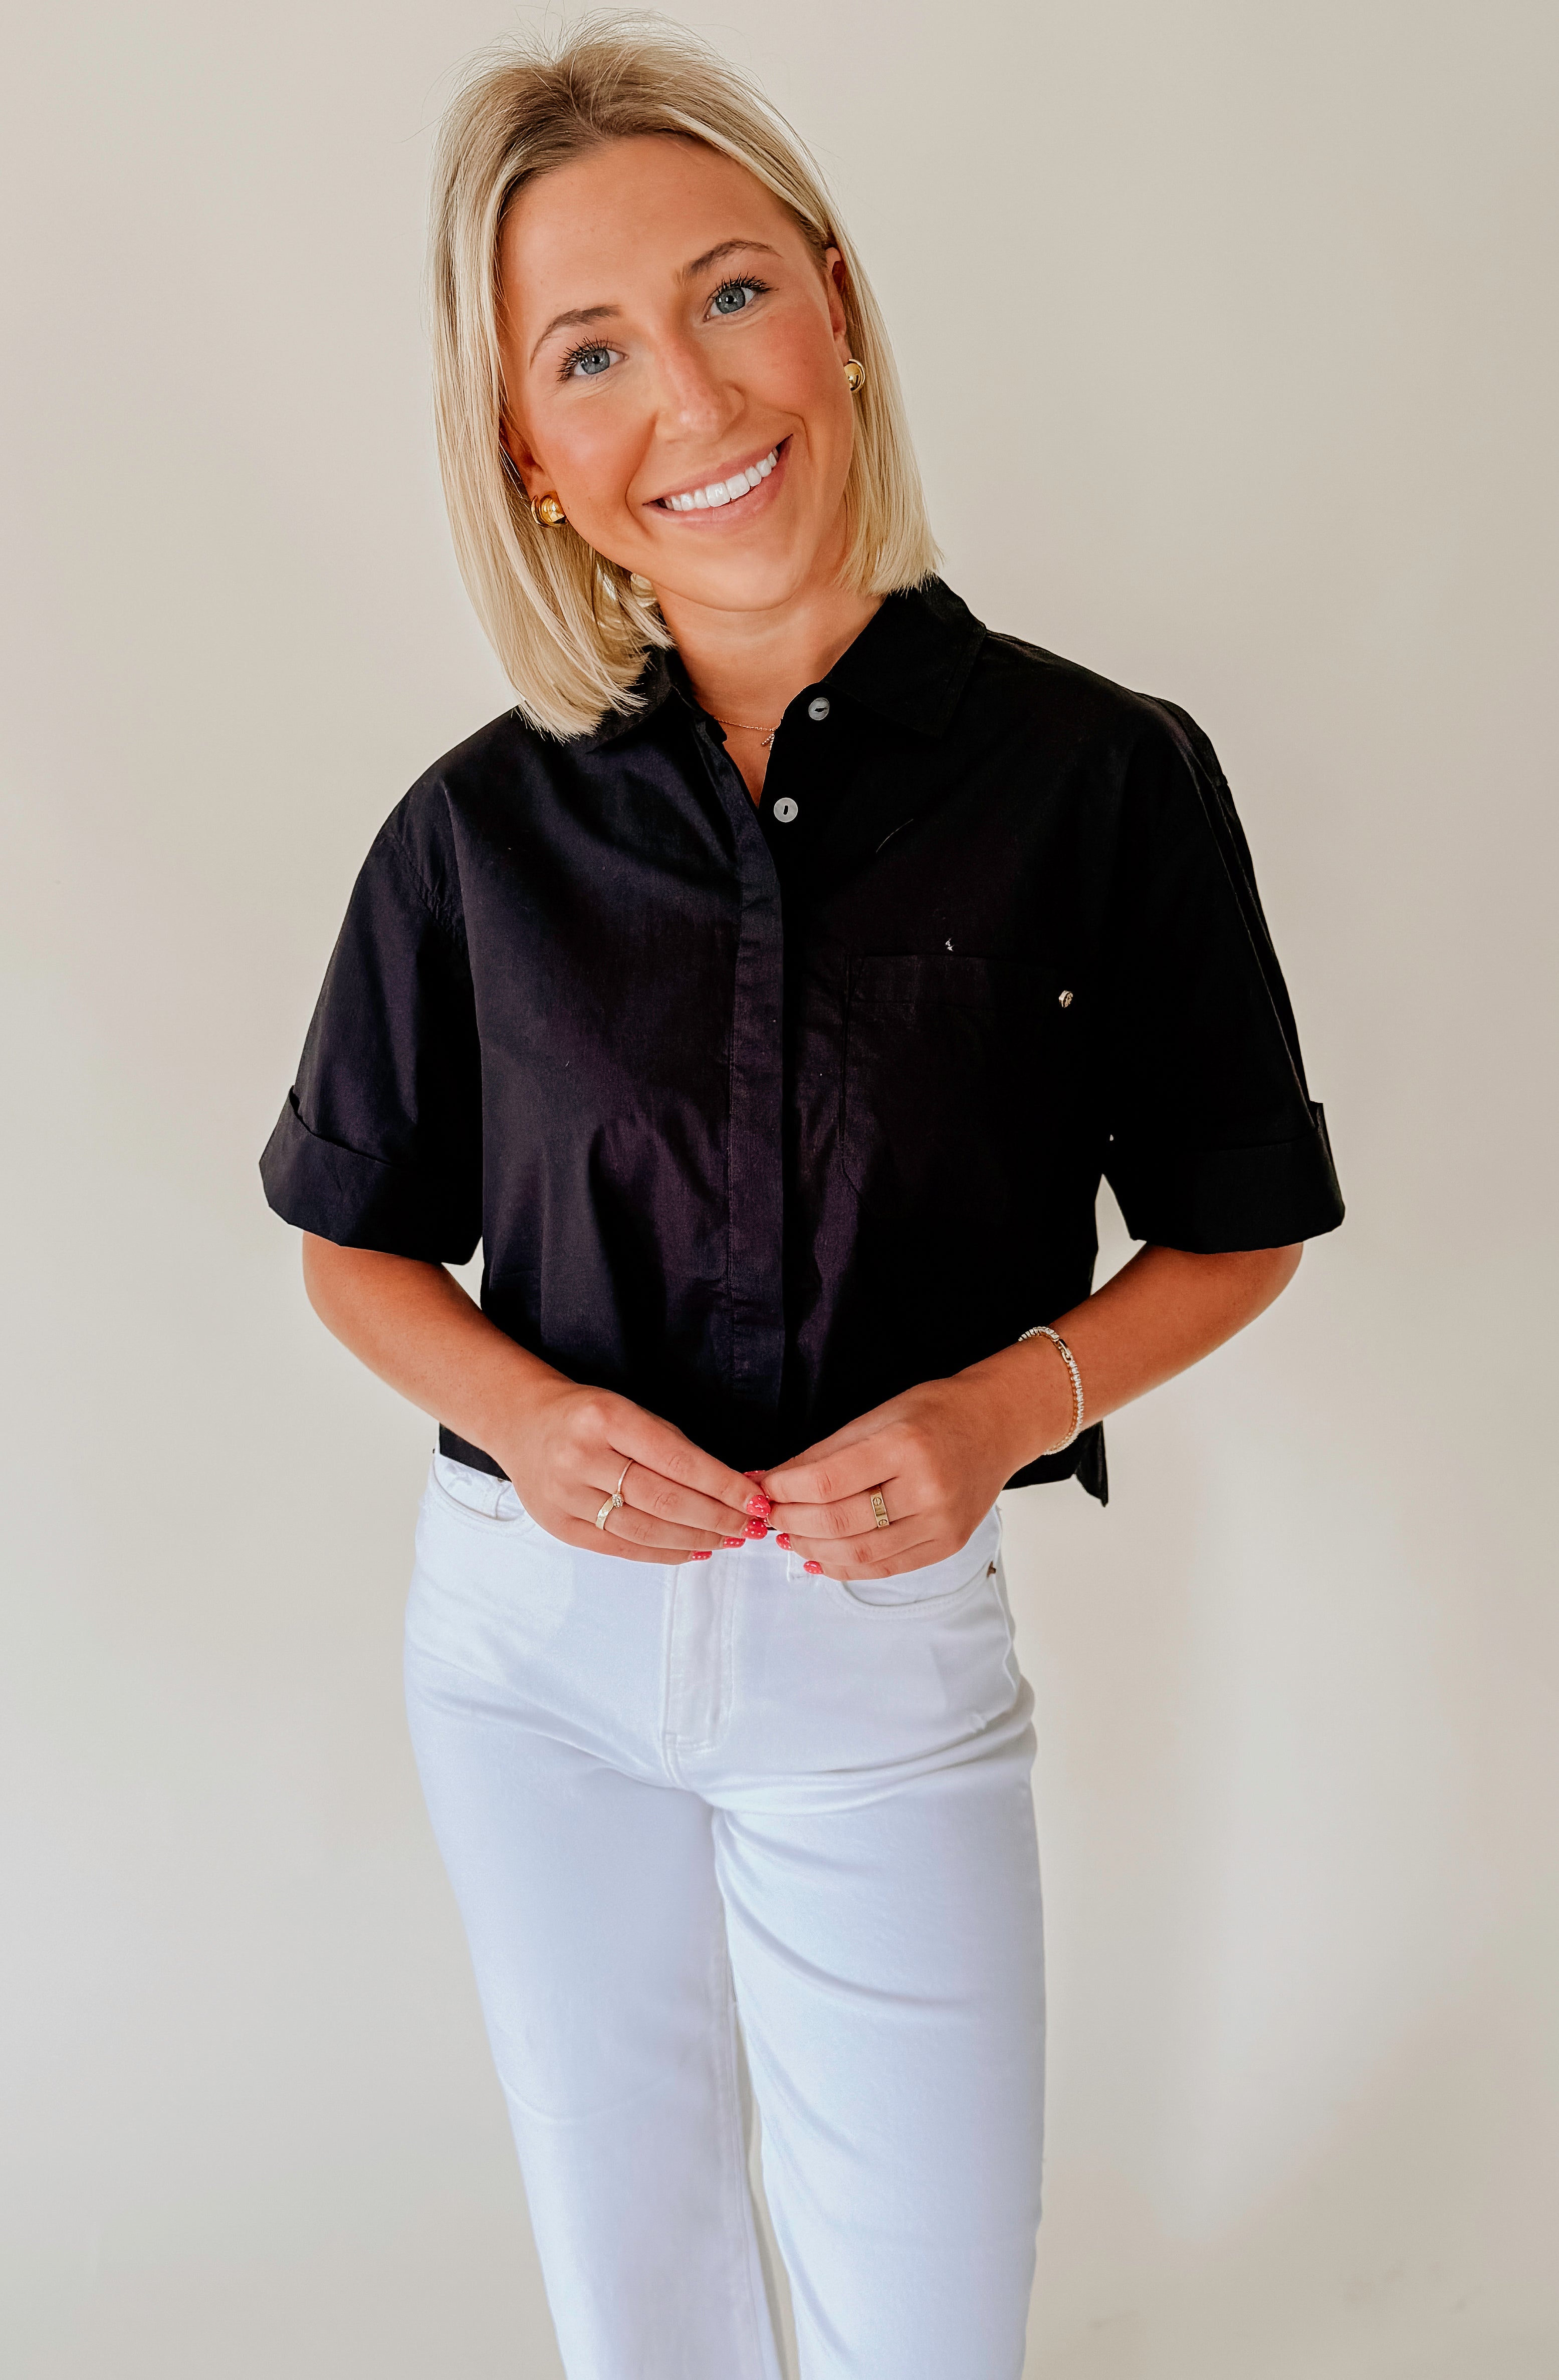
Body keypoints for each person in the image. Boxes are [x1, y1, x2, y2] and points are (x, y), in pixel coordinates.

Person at [259, 20, 1344, 2379]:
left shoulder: (1103, 779)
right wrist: (524, 1416)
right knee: (634, 2309)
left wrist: (1000, 1409)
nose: (692, 393)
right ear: (533, 453)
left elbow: (1238, 1217)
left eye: (731, 291)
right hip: (525, 1660)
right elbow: (353, 1236)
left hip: (884, 1668)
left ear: (836, 304)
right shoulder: (472, 834)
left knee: (924, 2335)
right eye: (589, 352)